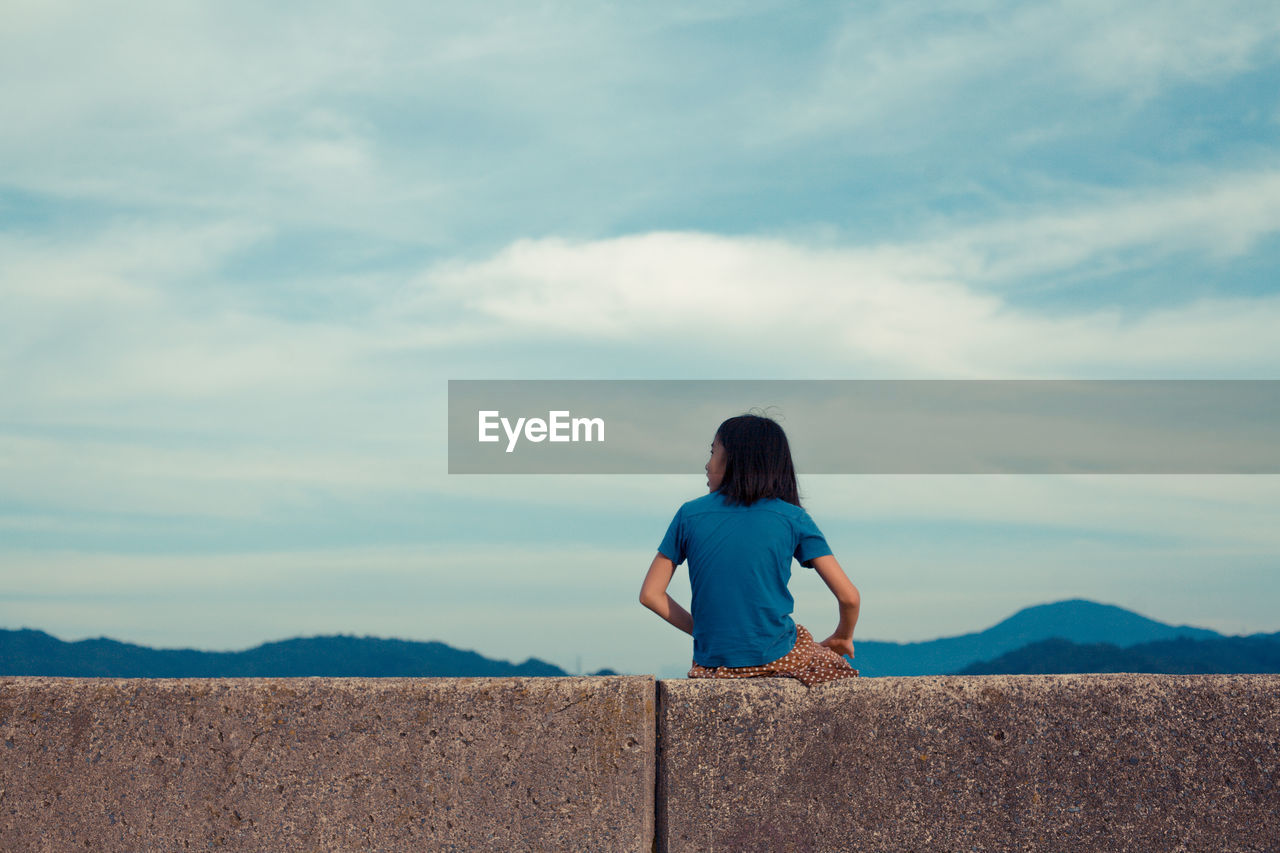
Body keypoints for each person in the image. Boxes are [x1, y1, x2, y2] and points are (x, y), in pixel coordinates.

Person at [639, 413, 861, 686]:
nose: (707, 465)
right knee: (841, 675)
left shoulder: (689, 515)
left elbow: (650, 594)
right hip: (777, 656)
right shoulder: (793, 517)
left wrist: (704, 632)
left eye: (712, 453)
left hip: (711, 665)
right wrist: (843, 635)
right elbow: (849, 597)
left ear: (734, 459)